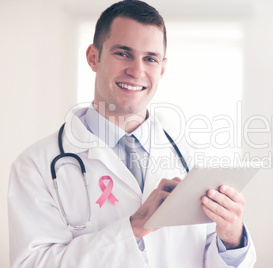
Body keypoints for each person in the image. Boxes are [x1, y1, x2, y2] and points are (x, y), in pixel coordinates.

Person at [8, 0, 256, 267]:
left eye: (150, 58)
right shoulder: (35, 165)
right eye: (123, 53)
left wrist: (232, 238)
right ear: (93, 57)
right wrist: (132, 228)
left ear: (161, 69)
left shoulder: (191, 161)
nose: (137, 71)